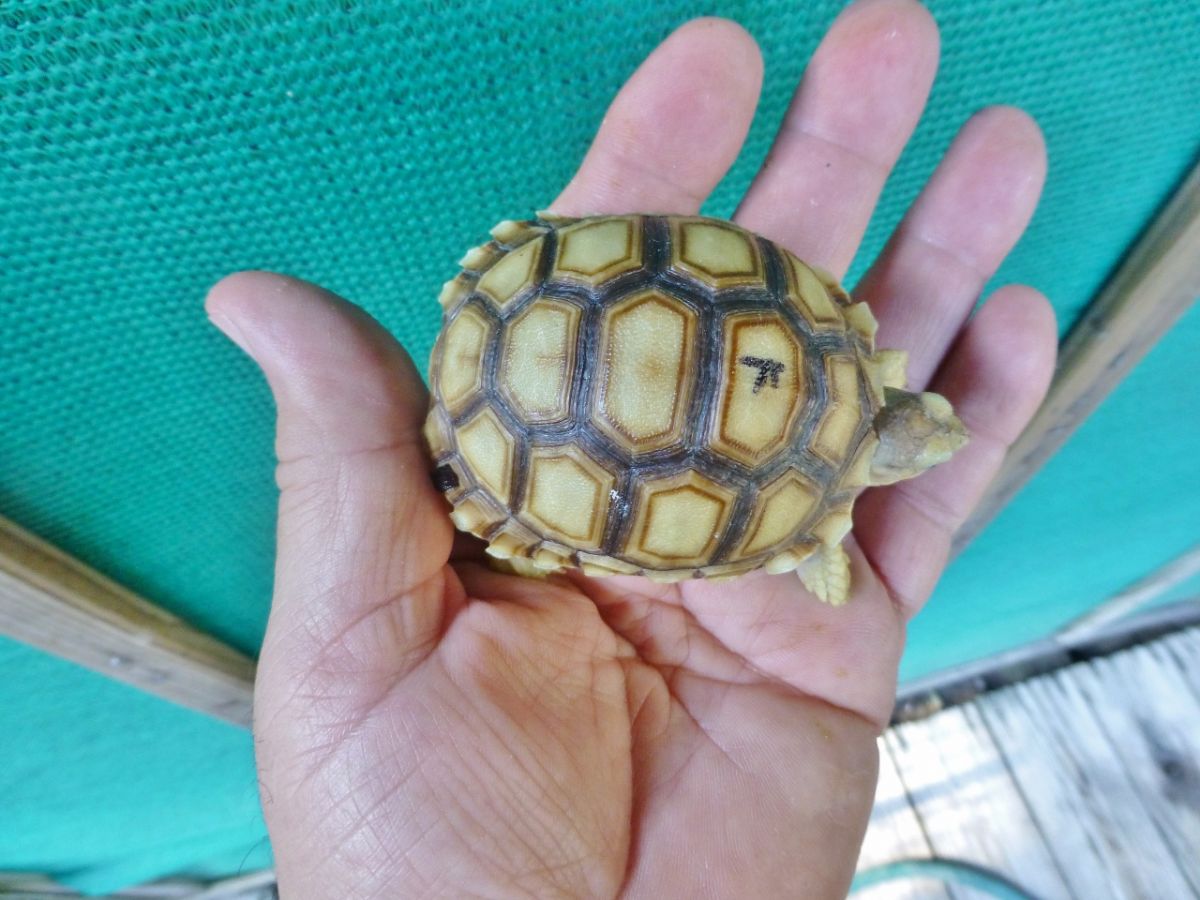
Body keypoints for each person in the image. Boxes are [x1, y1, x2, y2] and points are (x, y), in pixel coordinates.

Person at [205, 1, 1056, 896]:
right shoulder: (802, 526)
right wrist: (817, 552)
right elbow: (814, 547)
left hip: (543, 312)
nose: (933, 436)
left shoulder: (827, 349)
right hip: (539, 419)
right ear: (886, 434)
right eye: (922, 432)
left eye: (923, 432)